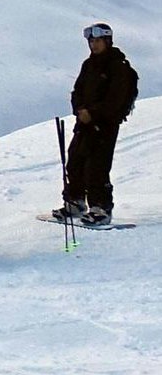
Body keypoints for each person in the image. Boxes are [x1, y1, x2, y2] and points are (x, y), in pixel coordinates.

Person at [64, 22, 134, 225]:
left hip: (105, 125)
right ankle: (75, 202)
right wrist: (79, 110)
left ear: (107, 41)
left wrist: (92, 113)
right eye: (91, 41)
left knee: (97, 166)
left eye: (97, 41)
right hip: (84, 122)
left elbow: (116, 100)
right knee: (75, 160)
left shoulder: (118, 67)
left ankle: (101, 208)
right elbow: (77, 91)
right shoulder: (89, 65)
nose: (93, 45)